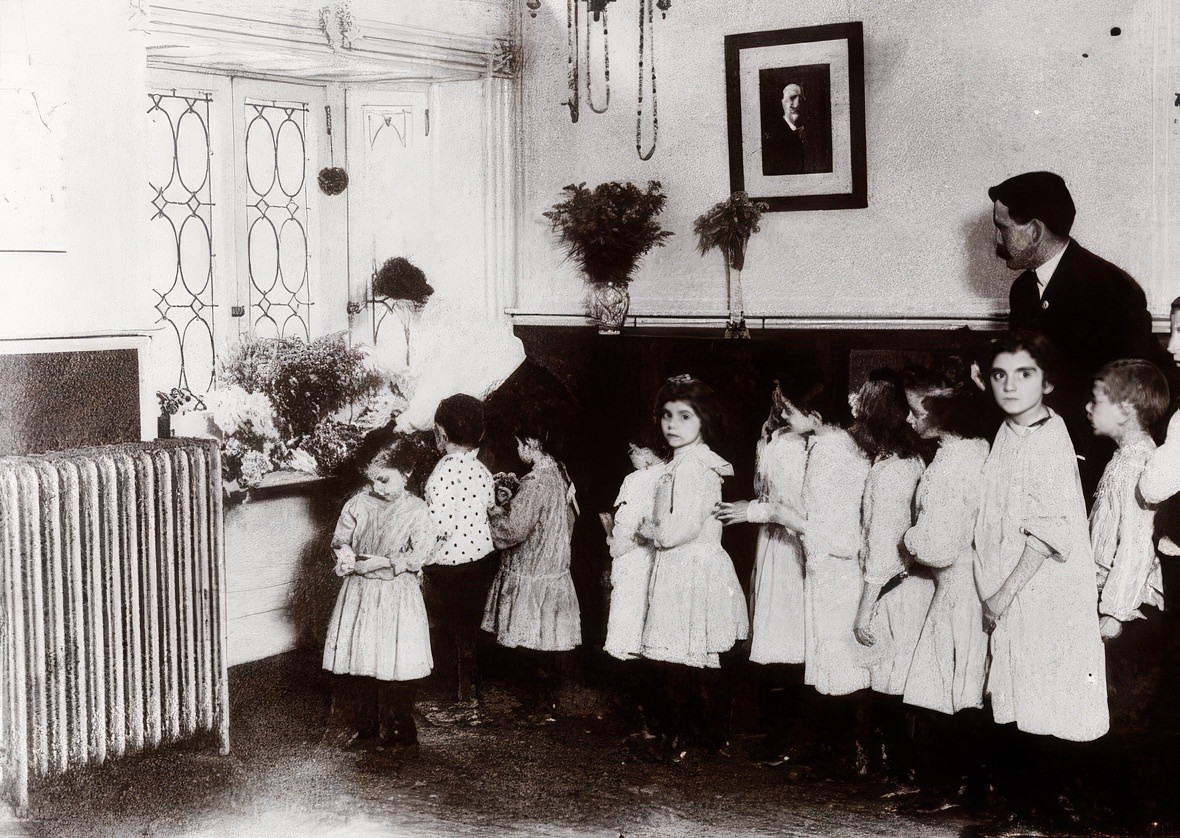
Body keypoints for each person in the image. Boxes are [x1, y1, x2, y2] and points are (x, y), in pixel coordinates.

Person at [988, 171, 1166, 492]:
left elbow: (1131, 393)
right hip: (1039, 451)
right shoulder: (1023, 292)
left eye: (1003, 229)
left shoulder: (1111, 289)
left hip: (1091, 463)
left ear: (1035, 231)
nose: (998, 241)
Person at [974, 331, 1108, 742]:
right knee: (1023, 699)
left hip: (1043, 588)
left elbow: (1048, 533)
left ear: (1046, 381)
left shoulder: (1048, 439)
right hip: (1014, 593)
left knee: (1050, 703)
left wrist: (1001, 595)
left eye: (1024, 374)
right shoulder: (1009, 430)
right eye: (1000, 375)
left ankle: (1055, 802)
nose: (1010, 386)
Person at [639, 374, 749, 757]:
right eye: (667, 415)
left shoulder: (697, 466)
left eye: (685, 416)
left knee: (690, 655)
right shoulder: (683, 462)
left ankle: (695, 739)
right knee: (683, 657)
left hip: (692, 568)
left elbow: (676, 530)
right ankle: (688, 737)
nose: (672, 424)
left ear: (703, 419)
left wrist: (649, 529)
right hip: (682, 567)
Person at [322, 440, 436, 751]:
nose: (378, 486)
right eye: (373, 479)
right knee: (363, 660)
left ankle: (401, 729)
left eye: (384, 479)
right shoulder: (358, 504)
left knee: (398, 660)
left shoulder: (416, 509)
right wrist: (345, 556)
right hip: (361, 592)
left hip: (397, 593)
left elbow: (422, 552)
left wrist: (387, 562)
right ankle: (367, 728)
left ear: (407, 473)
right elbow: (340, 541)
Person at [848, 373, 932, 778]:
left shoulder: (893, 471)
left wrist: (864, 609)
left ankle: (896, 772)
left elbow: (883, 546)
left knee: (888, 685)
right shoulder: (903, 460)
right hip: (906, 588)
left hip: (893, 591)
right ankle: (897, 769)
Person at [1087, 359, 1169, 731]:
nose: (1088, 408)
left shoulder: (1140, 465)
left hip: (1128, 609)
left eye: (1097, 400)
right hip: (1106, 597)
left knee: (1121, 713)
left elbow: (1137, 548)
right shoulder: (1121, 459)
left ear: (1125, 410)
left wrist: (1115, 614)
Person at [482, 417, 582, 715]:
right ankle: (545, 698)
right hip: (553, 562)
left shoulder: (536, 482)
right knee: (544, 635)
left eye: (519, 443)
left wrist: (495, 513)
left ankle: (537, 702)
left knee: (530, 637)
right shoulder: (560, 472)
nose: (518, 449)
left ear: (532, 444)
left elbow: (514, 530)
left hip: (534, 565)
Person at [423, 393, 497, 709]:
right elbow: (490, 510)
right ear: (479, 434)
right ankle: (471, 694)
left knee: (449, 632)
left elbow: (439, 529)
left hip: (447, 566)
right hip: (481, 561)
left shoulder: (440, 475)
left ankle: (457, 699)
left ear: (440, 432)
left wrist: (419, 559)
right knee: (469, 630)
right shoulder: (481, 470)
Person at [604, 442, 664, 662]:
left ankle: (635, 649)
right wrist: (612, 533)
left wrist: (626, 541)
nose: (631, 456)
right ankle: (620, 649)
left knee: (640, 598)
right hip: (624, 545)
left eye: (634, 451)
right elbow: (622, 510)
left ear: (647, 452)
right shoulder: (632, 479)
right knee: (623, 596)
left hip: (643, 547)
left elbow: (650, 518)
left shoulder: (664, 476)